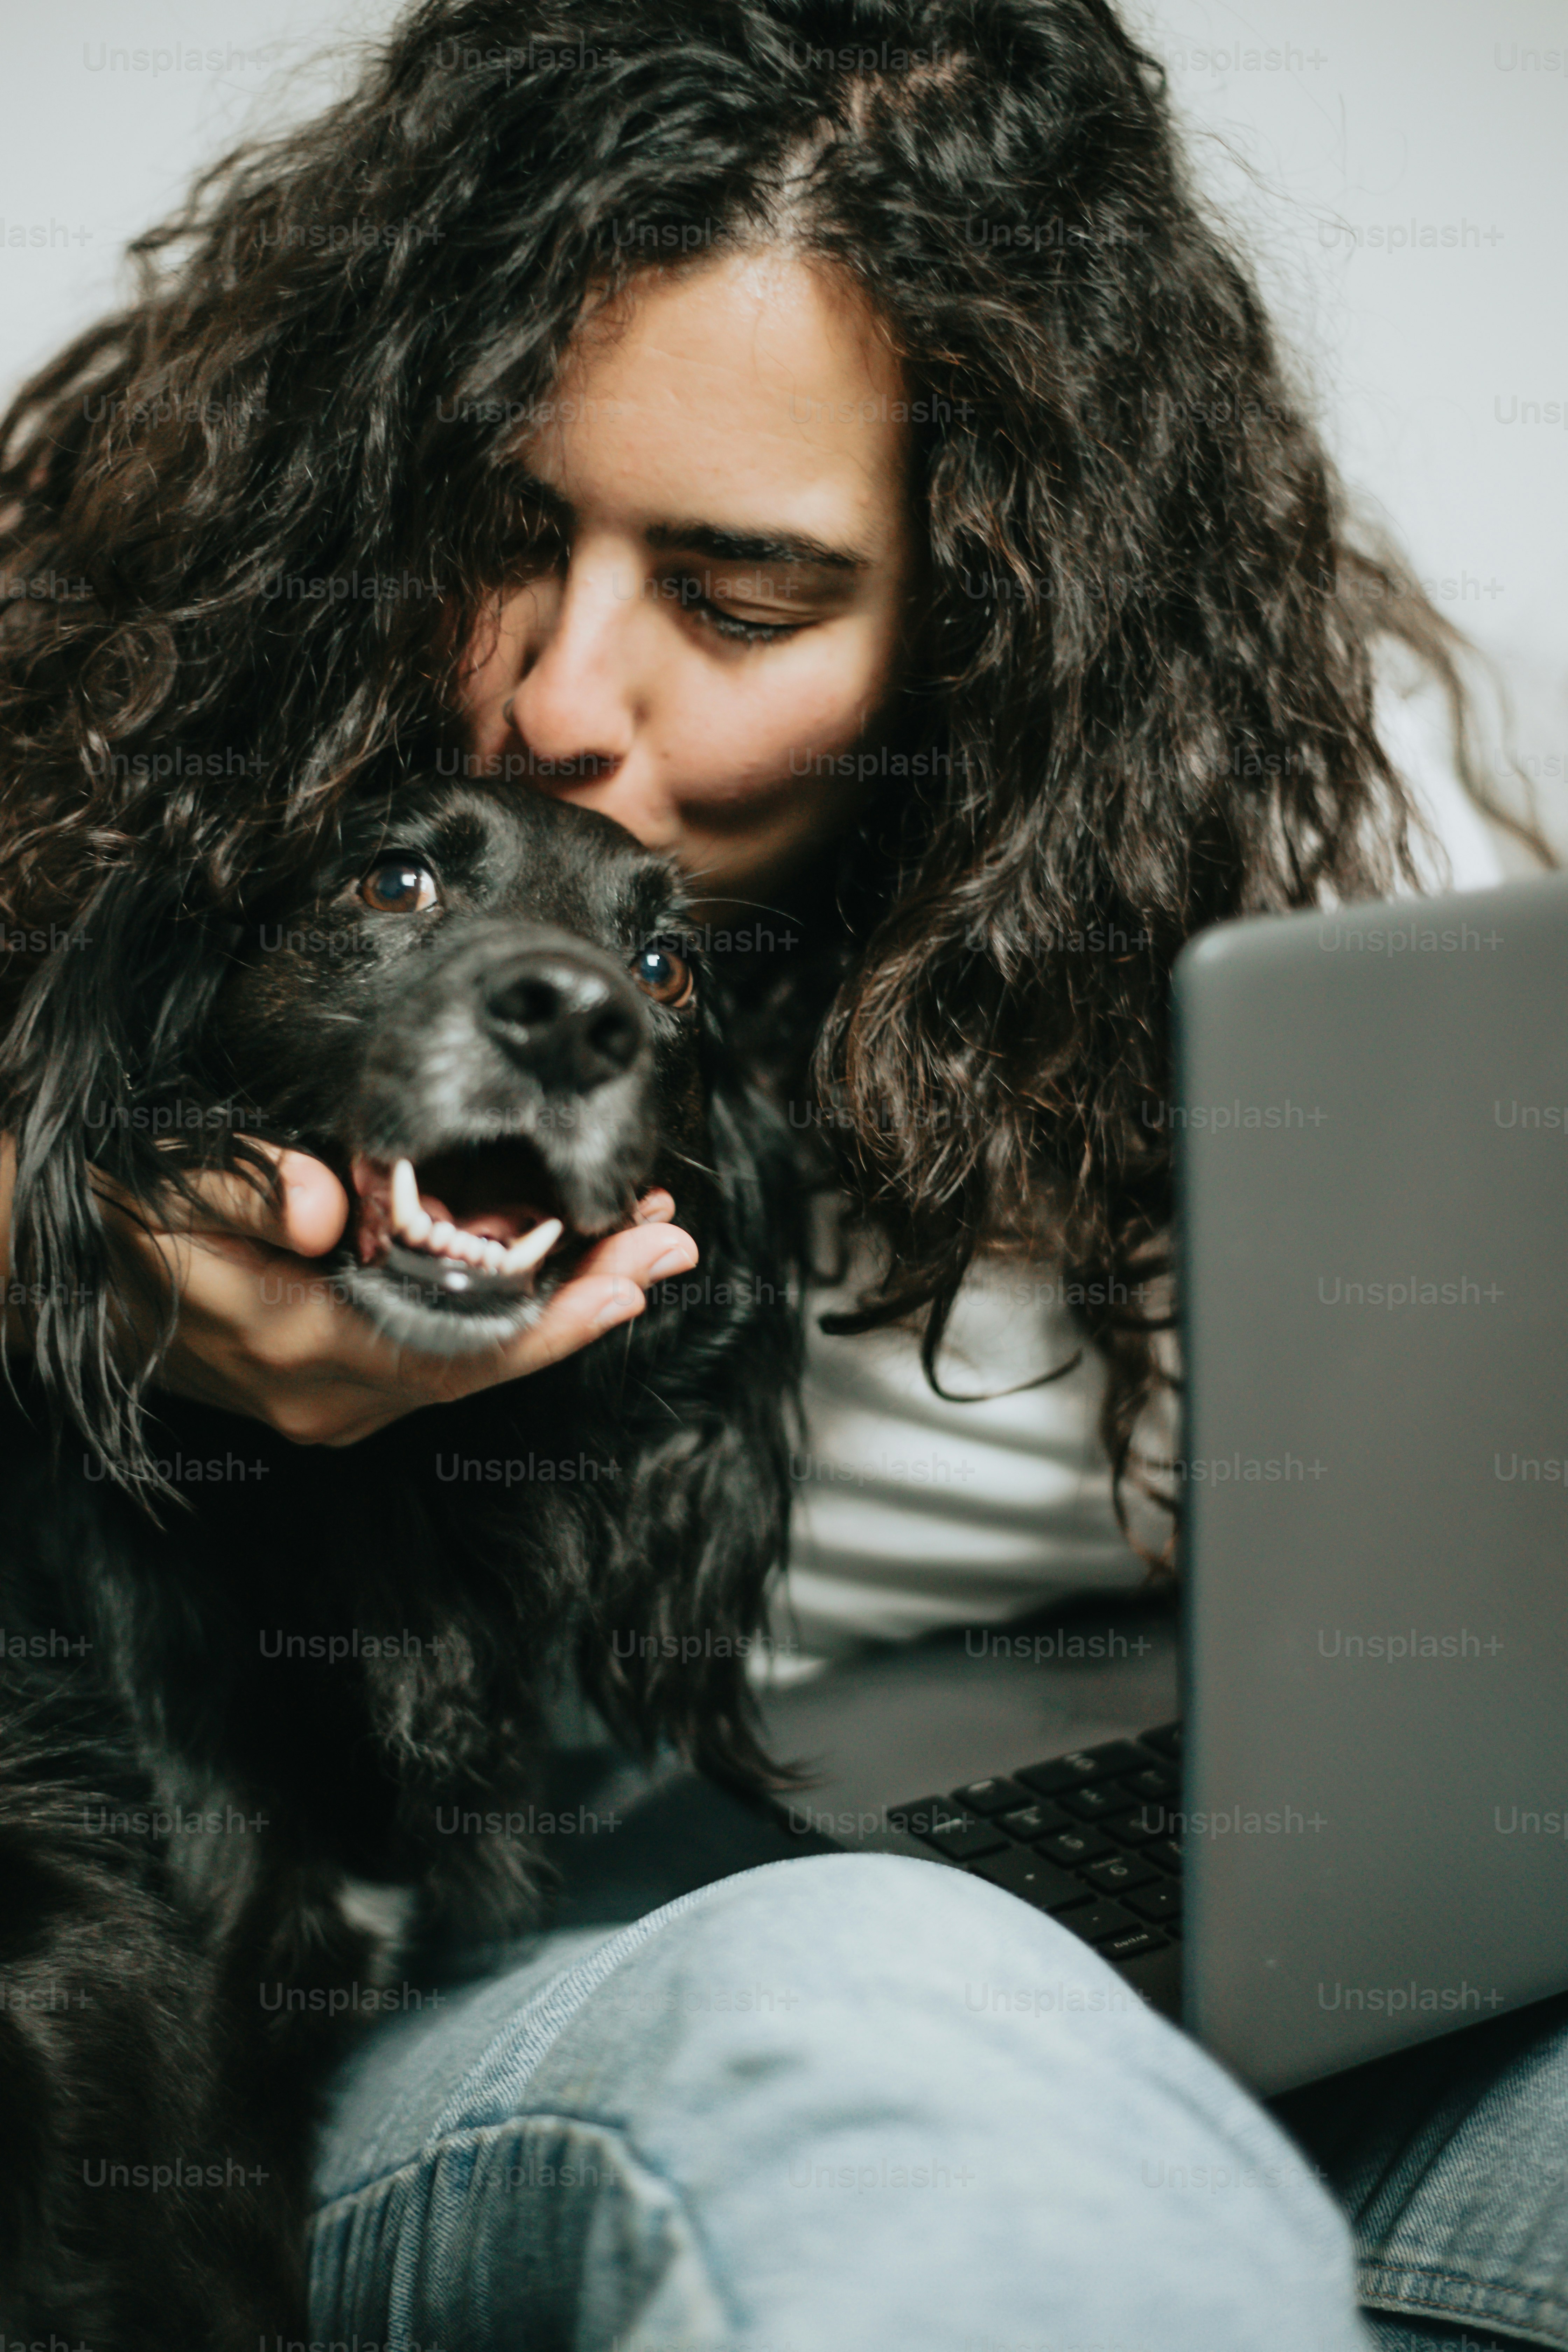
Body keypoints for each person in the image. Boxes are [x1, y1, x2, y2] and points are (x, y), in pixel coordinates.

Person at [0, 4, 1557, 2346]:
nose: (556, 698)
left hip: (1200, 1907)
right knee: (888, 1998)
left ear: (992, 620)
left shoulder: (1300, 904)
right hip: (511, 1989)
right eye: (503, 533)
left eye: (736, 599)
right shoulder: (157, 749)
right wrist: (54, 1245)